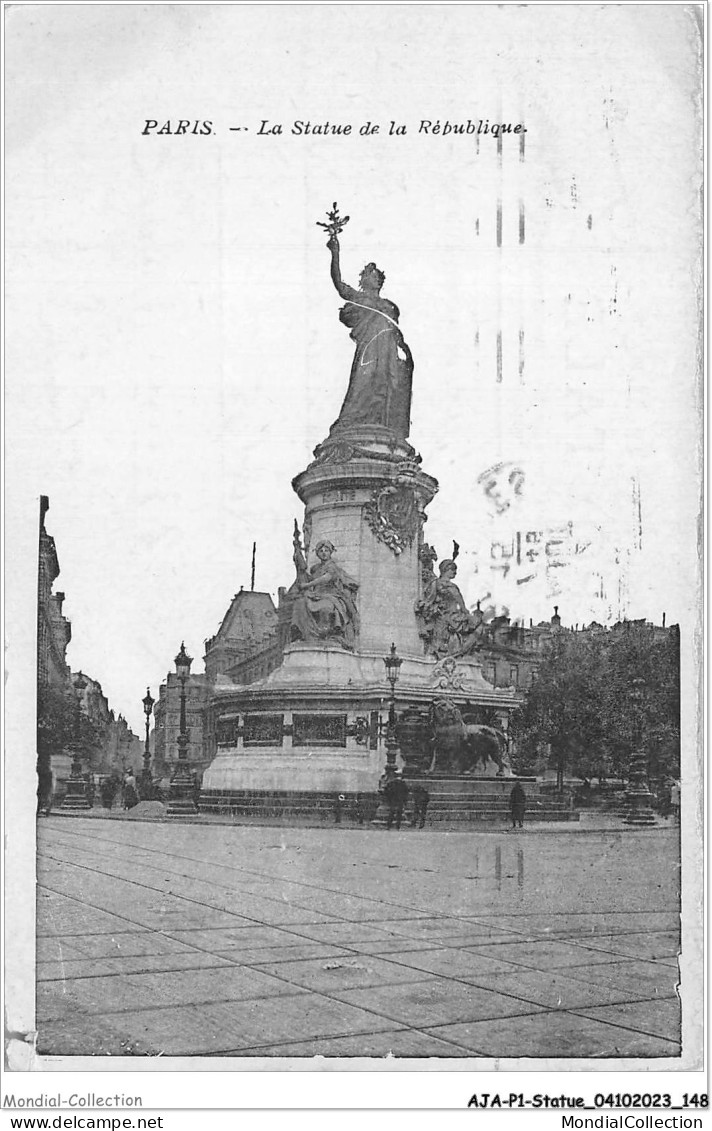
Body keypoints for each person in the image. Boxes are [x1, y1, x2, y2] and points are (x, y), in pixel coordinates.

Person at [326, 233, 413, 440]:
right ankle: (356, 421)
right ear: (364, 280)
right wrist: (335, 252)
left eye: (376, 276)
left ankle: (380, 423)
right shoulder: (359, 298)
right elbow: (339, 284)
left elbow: (397, 334)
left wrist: (405, 352)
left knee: (386, 385)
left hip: (388, 351)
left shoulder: (388, 306)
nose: (373, 278)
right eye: (369, 275)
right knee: (363, 384)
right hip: (369, 350)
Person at [290, 538, 360, 650]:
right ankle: (303, 634)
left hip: (332, 595)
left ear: (330, 553)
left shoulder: (332, 566)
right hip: (316, 594)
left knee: (326, 607)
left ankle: (326, 635)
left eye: (326, 550)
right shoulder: (315, 568)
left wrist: (307, 585)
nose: (323, 553)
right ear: (317, 554)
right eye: (321, 551)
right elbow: (308, 576)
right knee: (300, 603)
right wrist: (298, 560)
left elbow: (325, 578)